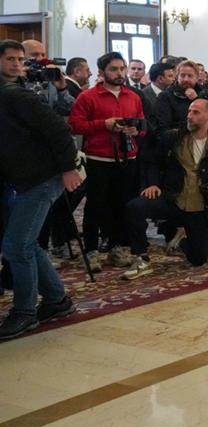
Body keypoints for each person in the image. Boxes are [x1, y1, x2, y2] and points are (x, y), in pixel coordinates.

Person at [0, 40, 82, 339]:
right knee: (26, 243)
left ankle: (25, 313)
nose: (16, 64)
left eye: (19, 59)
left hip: (43, 177)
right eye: (10, 59)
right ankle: (57, 301)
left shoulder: (15, 94)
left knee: (16, 245)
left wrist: (69, 168)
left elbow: (59, 128)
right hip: (24, 178)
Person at [121, 99, 208, 279]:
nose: (189, 116)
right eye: (189, 111)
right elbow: (152, 161)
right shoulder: (173, 137)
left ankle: (181, 239)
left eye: (196, 112)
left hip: (200, 205)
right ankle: (141, 256)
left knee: (198, 259)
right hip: (172, 197)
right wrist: (153, 183)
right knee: (135, 207)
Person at [68, 52, 146, 272]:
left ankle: (117, 247)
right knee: (96, 205)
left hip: (127, 157)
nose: (119, 73)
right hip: (98, 158)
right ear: (102, 72)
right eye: (114, 69)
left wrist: (136, 131)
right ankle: (91, 251)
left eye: (122, 68)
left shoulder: (133, 96)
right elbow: (75, 125)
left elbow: (142, 124)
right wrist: (103, 124)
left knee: (122, 205)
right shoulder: (88, 97)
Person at [153, 60, 201, 133]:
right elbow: (163, 128)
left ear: (197, 78)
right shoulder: (165, 97)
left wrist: (196, 99)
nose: (186, 79)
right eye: (182, 75)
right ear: (177, 77)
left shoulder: (204, 94)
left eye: (190, 76)